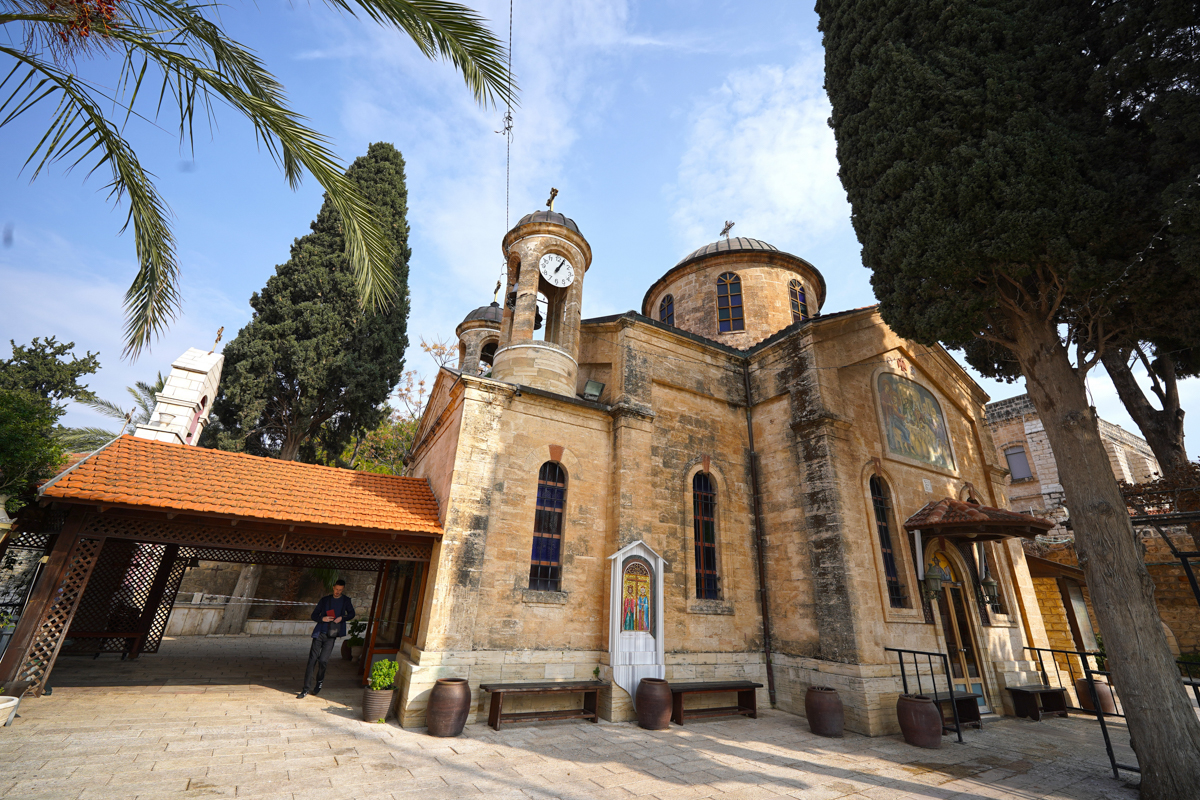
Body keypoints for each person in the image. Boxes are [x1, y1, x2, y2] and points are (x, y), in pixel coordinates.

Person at [297, 578, 355, 699]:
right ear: (333, 587)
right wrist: (322, 619)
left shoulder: (346, 601)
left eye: (340, 590)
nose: (337, 591)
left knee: (323, 660)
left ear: (343, 589)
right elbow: (314, 615)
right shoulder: (325, 600)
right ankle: (305, 689)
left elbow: (351, 614)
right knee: (312, 660)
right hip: (319, 633)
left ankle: (319, 682)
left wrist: (342, 618)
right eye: (336, 589)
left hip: (332, 634)